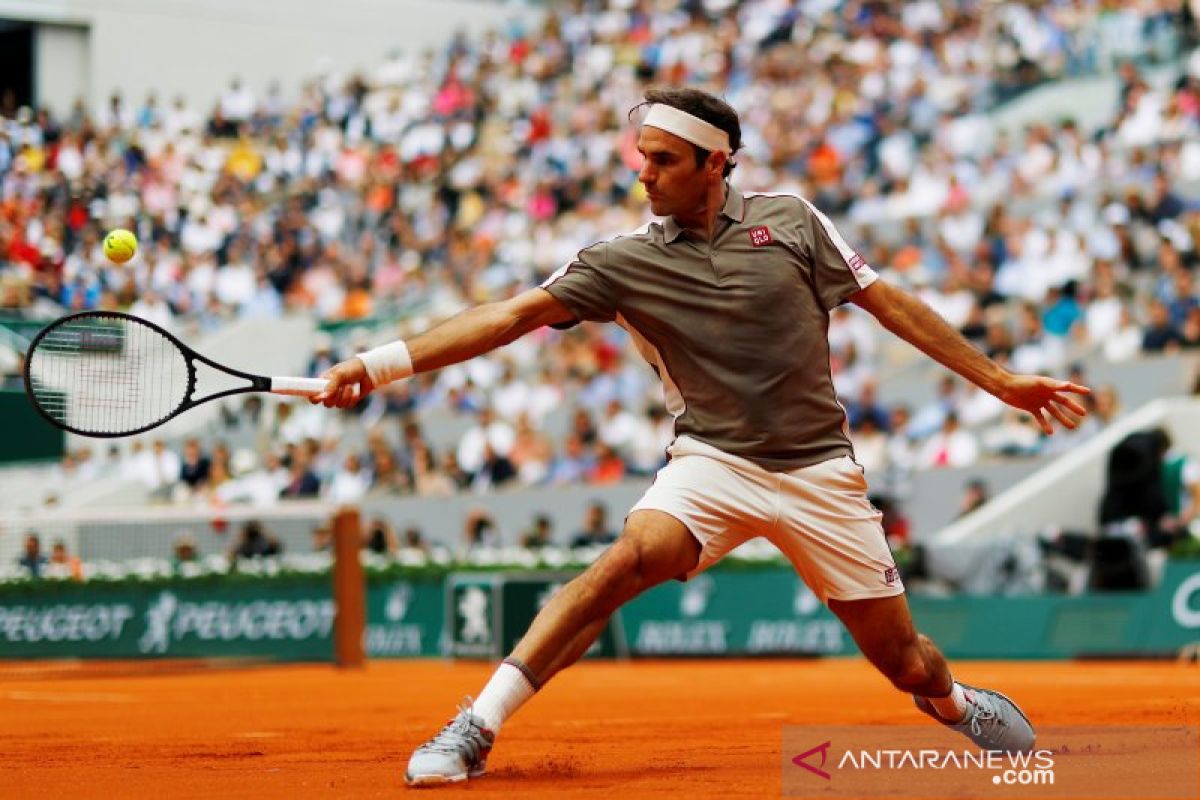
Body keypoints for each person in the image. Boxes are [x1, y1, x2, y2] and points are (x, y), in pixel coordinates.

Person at [314, 88, 1089, 786]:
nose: (643, 176)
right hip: (712, 463)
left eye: (662, 160)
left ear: (715, 164)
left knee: (906, 665)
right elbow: (509, 317)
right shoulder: (621, 261)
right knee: (625, 560)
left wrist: (1001, 382)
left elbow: (889, 304)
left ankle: (953, 704)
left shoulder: (792, 220)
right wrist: (375, 365)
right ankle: (474, 728)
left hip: (822, 474)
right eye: (640, 159)